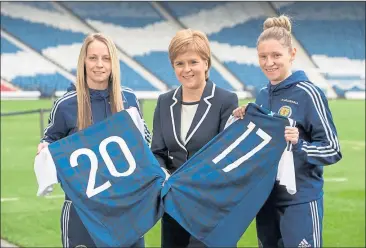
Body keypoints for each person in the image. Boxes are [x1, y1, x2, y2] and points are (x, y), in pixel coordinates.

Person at [232, 15, 342, 247]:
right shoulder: (262, 95)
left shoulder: (308, 93)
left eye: (276, 55)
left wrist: (300, 145)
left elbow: (332, 149)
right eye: (263, 56)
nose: (269, 62)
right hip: (265, 200)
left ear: (292, 54)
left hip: (300, 202)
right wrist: (247, 116)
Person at [36, 33, 149, 248]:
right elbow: (50, 140)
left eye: (106, 58)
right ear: (83, 61)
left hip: (125, 210)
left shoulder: (129, 100)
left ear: (113, 62)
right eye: (93, 58)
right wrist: (45, 147)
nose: (99, 65)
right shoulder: (66, 104)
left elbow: (145, 142)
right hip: (82, 212)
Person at [151, 28, 239, 248]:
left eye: (193, 62)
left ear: (206, 63)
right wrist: (164, 177)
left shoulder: (225, 100)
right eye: (179, 63)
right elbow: (158, 152)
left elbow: (227, 155)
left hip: (212, 207)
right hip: (174, 206)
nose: (186, 69)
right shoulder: (164, 102)